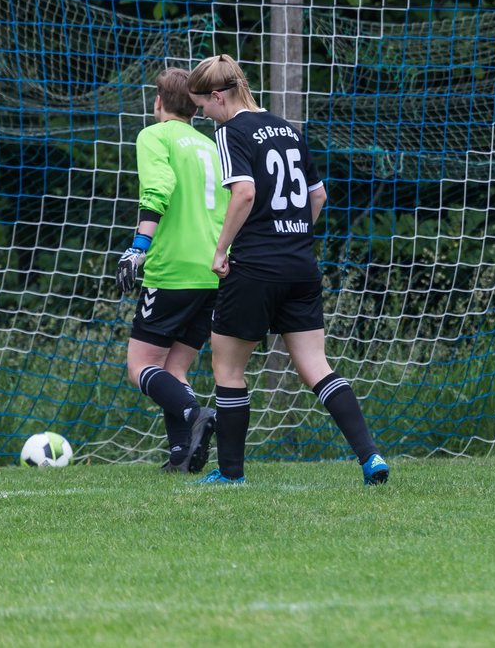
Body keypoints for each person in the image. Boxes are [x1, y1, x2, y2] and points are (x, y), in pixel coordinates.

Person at [186, 54, 389, 486]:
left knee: (228, 369)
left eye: (202, 105)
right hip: (300, 264)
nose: (202, 114)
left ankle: (231, 473)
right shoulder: (288, 131)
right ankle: (370, 457)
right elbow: (319, 197)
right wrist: (291, 238)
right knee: (317, 366)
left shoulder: (231, 132)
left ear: (218, 96)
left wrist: (222, 251)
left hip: (255, 266)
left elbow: (244, 193)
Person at [115, 67, 224, 472]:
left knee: (140, 365)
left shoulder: (154, 135)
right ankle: (182, 454)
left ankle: (194, 414)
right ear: (195, 106)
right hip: (213, 269)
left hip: (173, 268)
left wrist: (138, 247)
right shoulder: (211, 145)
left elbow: (157, 187)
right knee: (173, 367)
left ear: (158, 101)